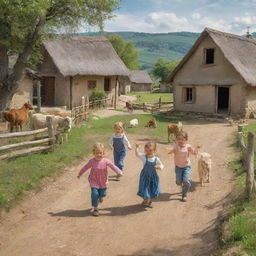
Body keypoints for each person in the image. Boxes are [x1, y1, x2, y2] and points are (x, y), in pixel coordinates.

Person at [77, 142, 122, 216]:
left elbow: (113, 166)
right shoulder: (91, 161)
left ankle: (101, 196)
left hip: (103, 181)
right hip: (93, 180)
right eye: (97, 153)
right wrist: (80, 174)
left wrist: (119, 172)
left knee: (103, 193)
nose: (99, 155)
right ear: (93, 153)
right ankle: (95, 208)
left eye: (101, 153)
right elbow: (85, 167)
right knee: (94, 194)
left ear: (103, 153)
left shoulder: (106, 161)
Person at [168, 131, 199, 202]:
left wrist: (197, 148)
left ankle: (184, 195)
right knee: (179, 182)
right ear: (176, 140)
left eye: (182, 139)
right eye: (178, 139)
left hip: (186, 166)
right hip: (178, 167)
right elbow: (169, 152)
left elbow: (194, 153)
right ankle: (179, 181)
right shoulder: (175, 146)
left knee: (186, 181)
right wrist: (170, 151)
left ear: (186, 140)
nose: (180, 141)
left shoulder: (188, 147)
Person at [136, 142, 164, 207]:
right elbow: (137, 154)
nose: (148, 152)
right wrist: (137, 147)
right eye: (146, 150)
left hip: (153, 177)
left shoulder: (156, 159)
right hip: (145, 176)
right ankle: (146, 200)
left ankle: (149, 200)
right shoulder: (144, 157)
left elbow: (162, 165)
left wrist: (159, 167)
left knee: (152, 189)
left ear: (154, 150)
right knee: (144, 188)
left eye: (150, 150)